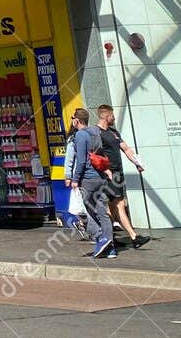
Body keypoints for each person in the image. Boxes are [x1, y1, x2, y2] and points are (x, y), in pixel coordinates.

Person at [95, 104, 150, 249]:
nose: (114, 118)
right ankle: (134, 237)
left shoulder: (113, 132)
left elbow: (126, 148)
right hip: (108, 174)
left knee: (113, 206)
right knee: (119, 205)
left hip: (118, 174)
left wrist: (136, 163)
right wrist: (105, 170)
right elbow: (93, 155)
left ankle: (109, 237)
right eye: (112, 116)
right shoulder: (96, 133)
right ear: (106, 116)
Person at [66, 107, 117, 259]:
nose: (72, 122)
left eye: (73, 118)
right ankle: (110, 248)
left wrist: (75, 179)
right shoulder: (96, 132)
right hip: (100, 177)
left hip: (87, 179)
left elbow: (81, 160)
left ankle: (101, 238)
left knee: (89, 212)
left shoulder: (80, 135)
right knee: (103, 212)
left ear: (77, 120)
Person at [57, 112, 87, 236]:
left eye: (73, 118)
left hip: (88, 174)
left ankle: (84, 224)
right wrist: (68, 176)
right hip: (78, 175)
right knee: (81, 202)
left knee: (85, 202)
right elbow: (69, 159)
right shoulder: (73, 139)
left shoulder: (87, 134)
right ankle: (83, 223)